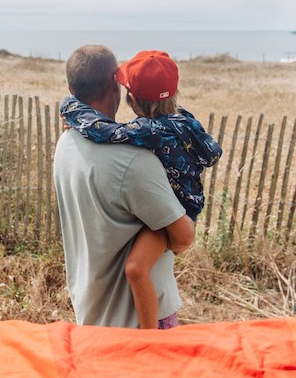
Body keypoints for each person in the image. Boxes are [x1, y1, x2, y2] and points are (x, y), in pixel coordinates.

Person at [60, 50, 222, 329]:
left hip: (94, 311)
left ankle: (147, 341)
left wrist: (72, 112)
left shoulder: (67, 145)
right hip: (138, 316)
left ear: (130, 98)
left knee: (136, 268)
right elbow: (184, 237)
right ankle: (149, 341)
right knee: (137, 268)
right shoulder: (181, 124)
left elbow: (107, 131)